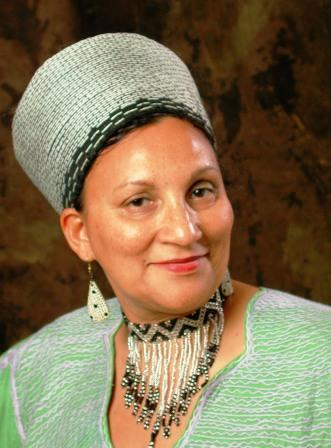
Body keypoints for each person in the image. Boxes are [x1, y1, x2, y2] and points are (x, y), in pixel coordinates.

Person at [0, 33, 330, 448]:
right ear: (80, 234)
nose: (185, 230)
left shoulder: (322, 359)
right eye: (139, 201)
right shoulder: (25, 381)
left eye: (201, 190)